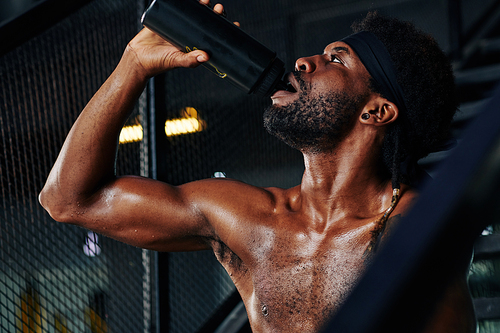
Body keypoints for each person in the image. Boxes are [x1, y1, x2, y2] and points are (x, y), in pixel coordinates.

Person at [39, 1, 476, 332]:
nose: (305, 62)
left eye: (337, 60)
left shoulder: (415, 233)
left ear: (376, 112)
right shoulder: (248, 218)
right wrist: (134, 63)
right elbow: (69, 199)